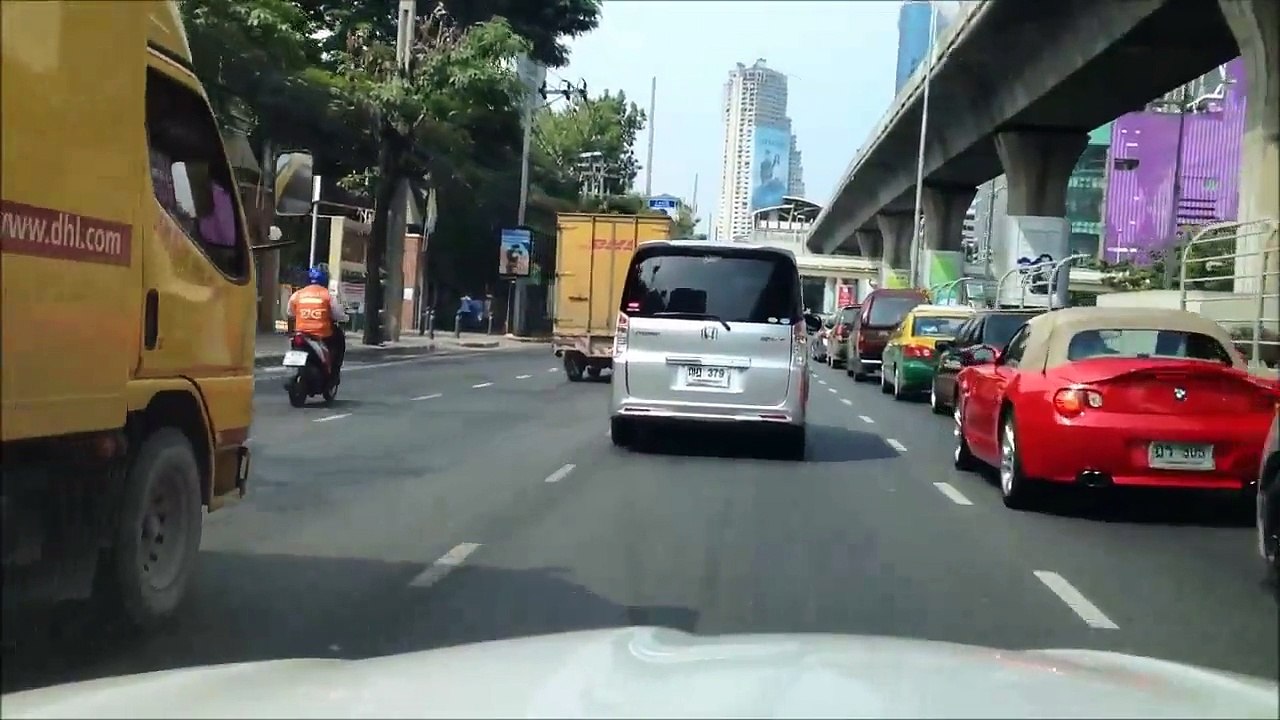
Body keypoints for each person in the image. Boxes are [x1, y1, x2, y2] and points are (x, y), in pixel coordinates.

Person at [287, 266, 349, 382]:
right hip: (322, 335)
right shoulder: (327, 295)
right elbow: (338, 315)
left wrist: (292, 331)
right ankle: (334, 373)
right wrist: (346, 317)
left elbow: (290, 313)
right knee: (339, 340)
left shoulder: (297, 294)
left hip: (300, 334)